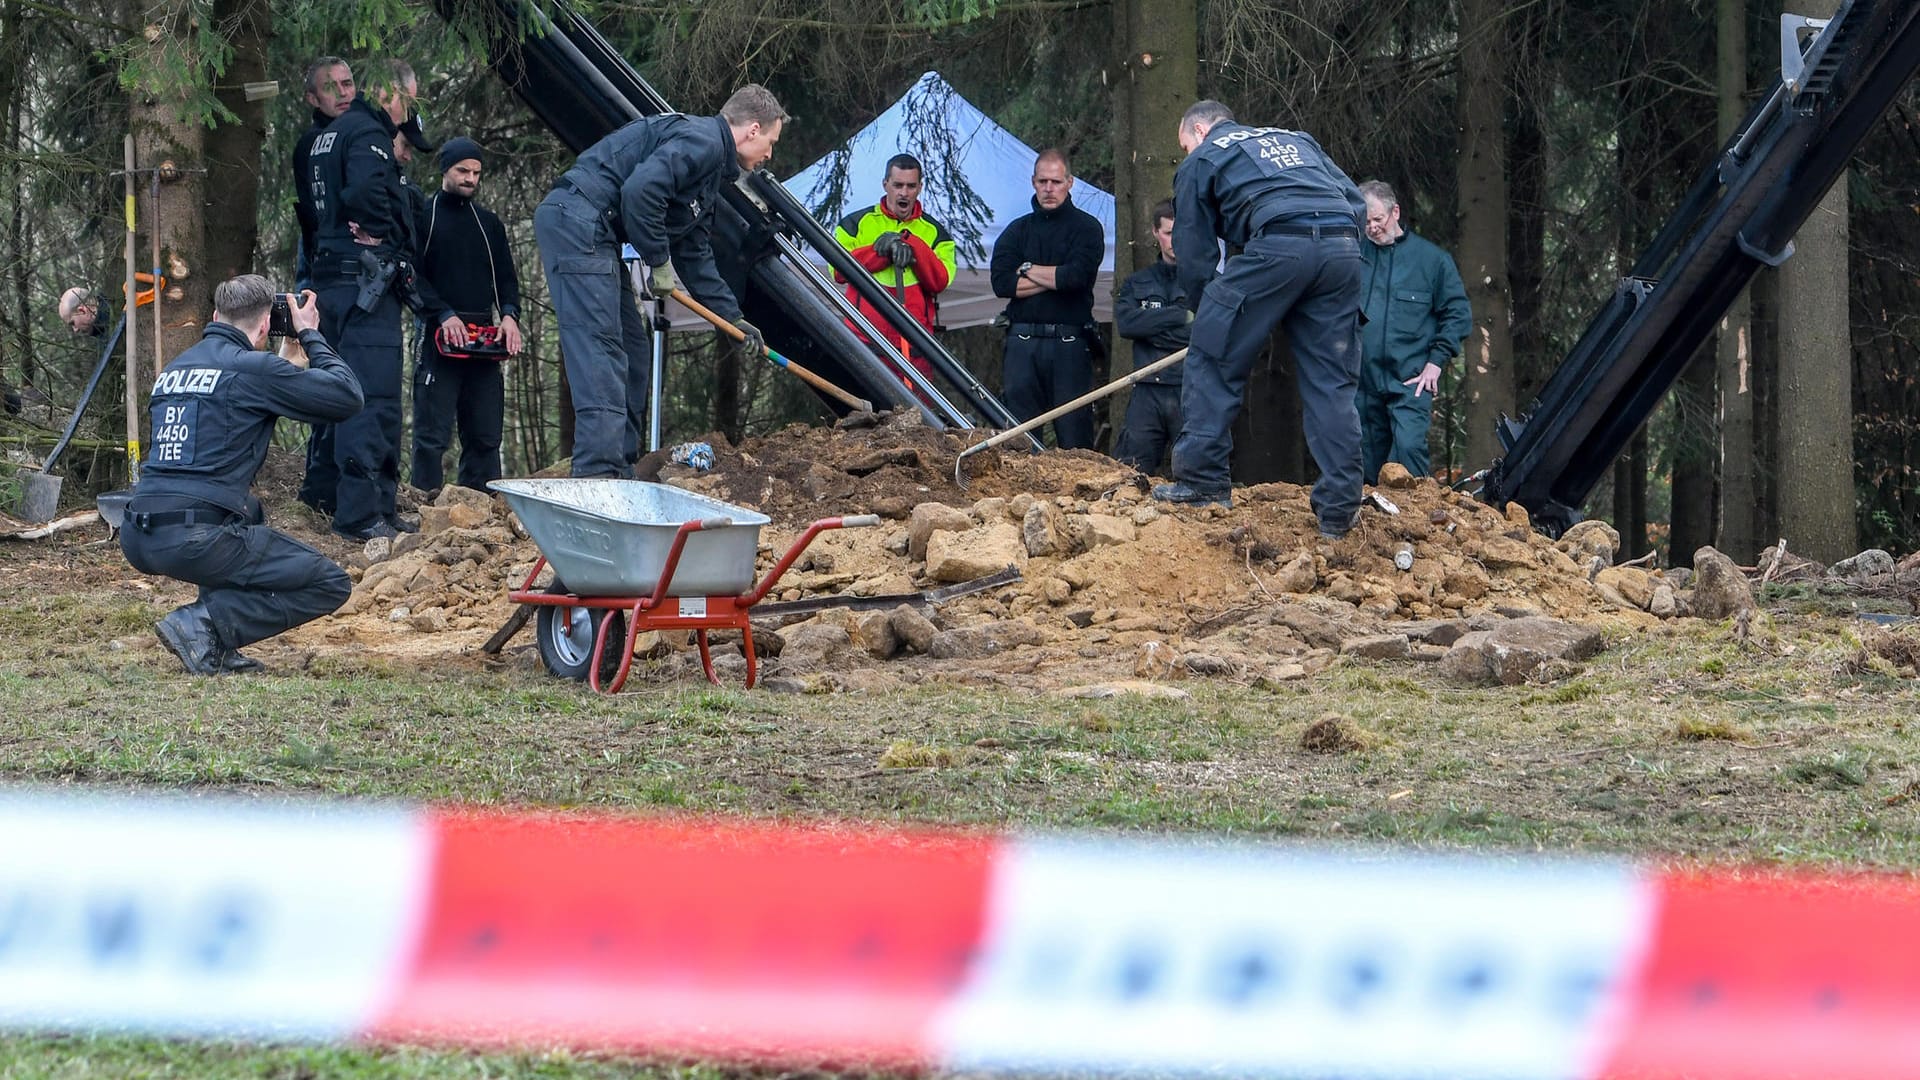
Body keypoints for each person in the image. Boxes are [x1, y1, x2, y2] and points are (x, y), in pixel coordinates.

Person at [535, 84, 784, 479]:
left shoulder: (708, 169)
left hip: (593, 233)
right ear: (752, 129)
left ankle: (619, 464)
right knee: (601, 346)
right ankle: (598, 476)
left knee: (633, 345)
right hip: (577, 220)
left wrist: (731, 317)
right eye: (770, 141)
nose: (770, 154)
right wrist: (657, 259)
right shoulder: (702, 140)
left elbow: (695, 251)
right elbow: (639, 192)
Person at [120, 275, 364, 675]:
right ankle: (204, 624)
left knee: (248, 512)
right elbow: (346, 396)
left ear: (217, 315)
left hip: (140, 534)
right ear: (266, 324)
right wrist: (308, 333)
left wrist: (286, 361)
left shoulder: (176, 368)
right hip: (194, 539)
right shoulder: (252, 369)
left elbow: (236, 406)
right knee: (330, 584)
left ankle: (215, 644)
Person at [1155, 100, 1367, 538]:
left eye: (1184, 145)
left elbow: (1193, 250)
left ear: (1198, 130)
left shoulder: (1205, 157)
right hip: (1342, 248)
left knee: (1211, 354)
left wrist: (1212, 310)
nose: (1185, 154)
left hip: (1278, 243)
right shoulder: (1296, 141)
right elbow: (1355, 203)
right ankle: (1339, 511)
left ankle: (1201, 481)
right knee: (1331, 382)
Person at [301, 59, 454, 541]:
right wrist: (379, 233)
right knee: (372, 401)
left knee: (333, 393)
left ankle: (329, 498)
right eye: (409, 100)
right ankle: (366, 515)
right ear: (397, 95)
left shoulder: (322, 137)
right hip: (364, 289)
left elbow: (309, 211)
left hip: (330, 283)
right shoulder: (367, 132)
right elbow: (368, 191)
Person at [410, 136, 523, 492]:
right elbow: (411, 277)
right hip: (439, 338)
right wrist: (442, 314)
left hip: (484, 341)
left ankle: (483, 507)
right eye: (463, 170)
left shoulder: (489, 225)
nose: (470, 178)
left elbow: (506, 277)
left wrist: (509, 316)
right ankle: (424, 506)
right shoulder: (424, 219)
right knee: (432, 436)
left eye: (476, 172)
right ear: (446, 169)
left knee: (486, 434)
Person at [988, 148, 1105, 449]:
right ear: (1033, 182)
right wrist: (1054, 278)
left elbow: (1076, 278)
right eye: (1043, 182)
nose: (1049, 189)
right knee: (1019, 438)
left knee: (1074, 436)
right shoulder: (1017, 231)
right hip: (1022, 345)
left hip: (1069, 344)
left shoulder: (1087, 228)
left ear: (1070, 182)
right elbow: (1002, 283)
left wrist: (1025, 270)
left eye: (1055, 181)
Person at [1356, 180, 1471, 484]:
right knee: (1365, 463)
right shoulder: (1352, 255)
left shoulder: (1432, 261)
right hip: (1361, 383)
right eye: (1365, 221)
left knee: (1408, 453)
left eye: (1377, 219)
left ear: (1395, 212)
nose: (1372, 227)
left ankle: (1416, 529)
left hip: (1410, 380)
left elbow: (1458, 314)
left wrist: (1436, 363)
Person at [832, 152, 955, 388]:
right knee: (861, 416)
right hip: (864, 338)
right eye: (898, 185)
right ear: (885, 184)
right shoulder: (854, 224)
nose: (904, 193)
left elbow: (940, 281)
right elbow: (839, 271)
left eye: (910, 186)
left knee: (916, 419)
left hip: (914, 343)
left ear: (920, 187)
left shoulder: (937, 234)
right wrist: (882, 252)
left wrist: (912, 245)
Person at [1112, 199, 1189, 474]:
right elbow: (1127, 325)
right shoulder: (1136, 282)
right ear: (1156, 233)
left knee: (1195, 472)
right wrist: (1180, 317)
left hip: (1189, 390)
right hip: (1146, 389)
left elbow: (1204, 330)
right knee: (1130, 473)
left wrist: (1152, 331)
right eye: (1168, 233)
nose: (1175, 240)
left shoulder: (1207, 283)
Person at [292, 57, 355, 292]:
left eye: (347, 84)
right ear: (312, 98)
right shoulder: (312, 143)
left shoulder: (362, 135)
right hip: (325, 266)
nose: (342, 93)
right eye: (330, 87)